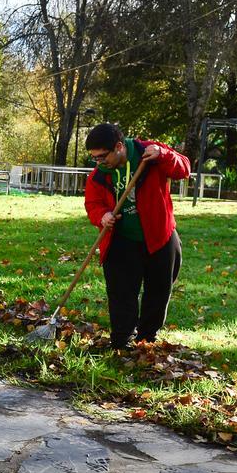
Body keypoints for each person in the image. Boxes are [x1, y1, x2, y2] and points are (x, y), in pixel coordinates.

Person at [83, 123, 189, 350]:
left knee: (159, 290)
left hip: (159, 235)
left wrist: (164, 154)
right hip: (121, 240)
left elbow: (183, 169)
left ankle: (147, 340)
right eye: (95, 158)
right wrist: (102, 216)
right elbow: (92, 204)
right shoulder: (98, 177)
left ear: (119, 147)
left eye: (102, 157)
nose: (99, 163)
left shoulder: (148, 152)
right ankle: (122, 341)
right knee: (121, 291)